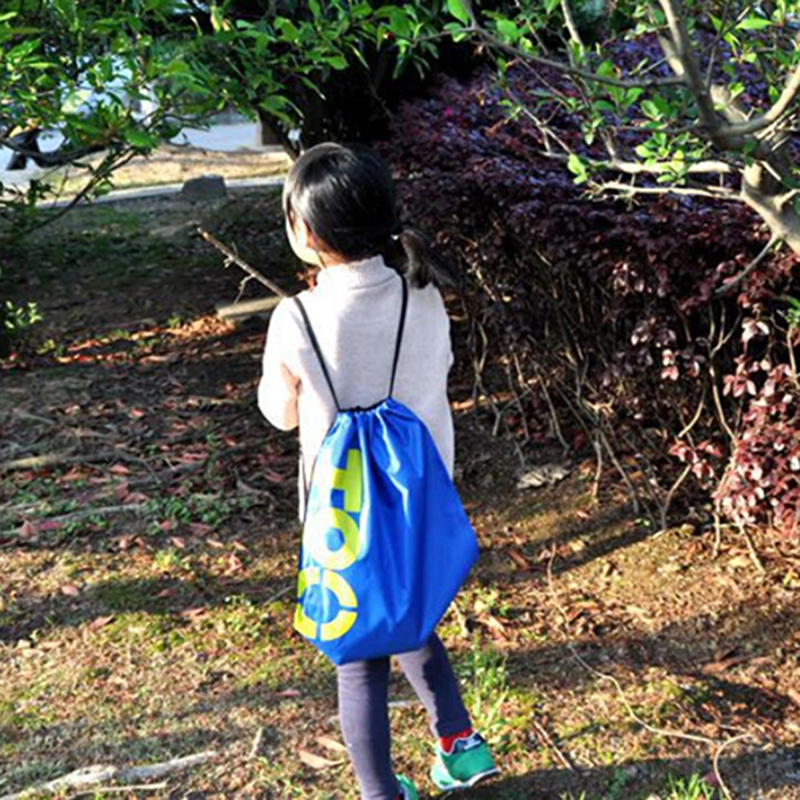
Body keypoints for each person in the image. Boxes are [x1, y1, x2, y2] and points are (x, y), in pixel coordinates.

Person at [258, 142, 498, 800]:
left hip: (342, 515)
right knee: (408, 614)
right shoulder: (424, 296)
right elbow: (437, 375)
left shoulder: (296, 317)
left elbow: (279, 413)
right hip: (420, 497)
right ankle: (461, 747)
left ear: (306, 232)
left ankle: (379, 792)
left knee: (359, 653)